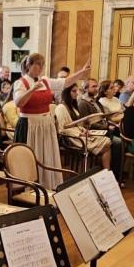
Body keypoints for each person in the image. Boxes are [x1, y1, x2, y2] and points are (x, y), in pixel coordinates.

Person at [13, 53, 90, 190]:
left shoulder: (45, 81)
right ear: (29, 65)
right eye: (37, 64)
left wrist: (82, 72)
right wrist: (31, 90)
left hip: (45, 125)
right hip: (30, 126)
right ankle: (29, 188)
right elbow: (19, 103)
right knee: (31, 158)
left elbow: (65, 82)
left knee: (46, 156)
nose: (40, 68)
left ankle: (47, 186)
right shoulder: (21, 83)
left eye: (42, 65)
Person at [55, 83, 111, 169]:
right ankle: (101, 172)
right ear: (67, 92)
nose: (76, 93)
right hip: (70, 138)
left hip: (78, 133)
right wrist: (79, 133)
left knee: (106, 141)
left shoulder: (72, 106)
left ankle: (103, 173)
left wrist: (83, 129)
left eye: (76, 91)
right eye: (74, 91)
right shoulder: (60, 108)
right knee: (106, 143)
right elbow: (62, 129)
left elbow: (77, 124)